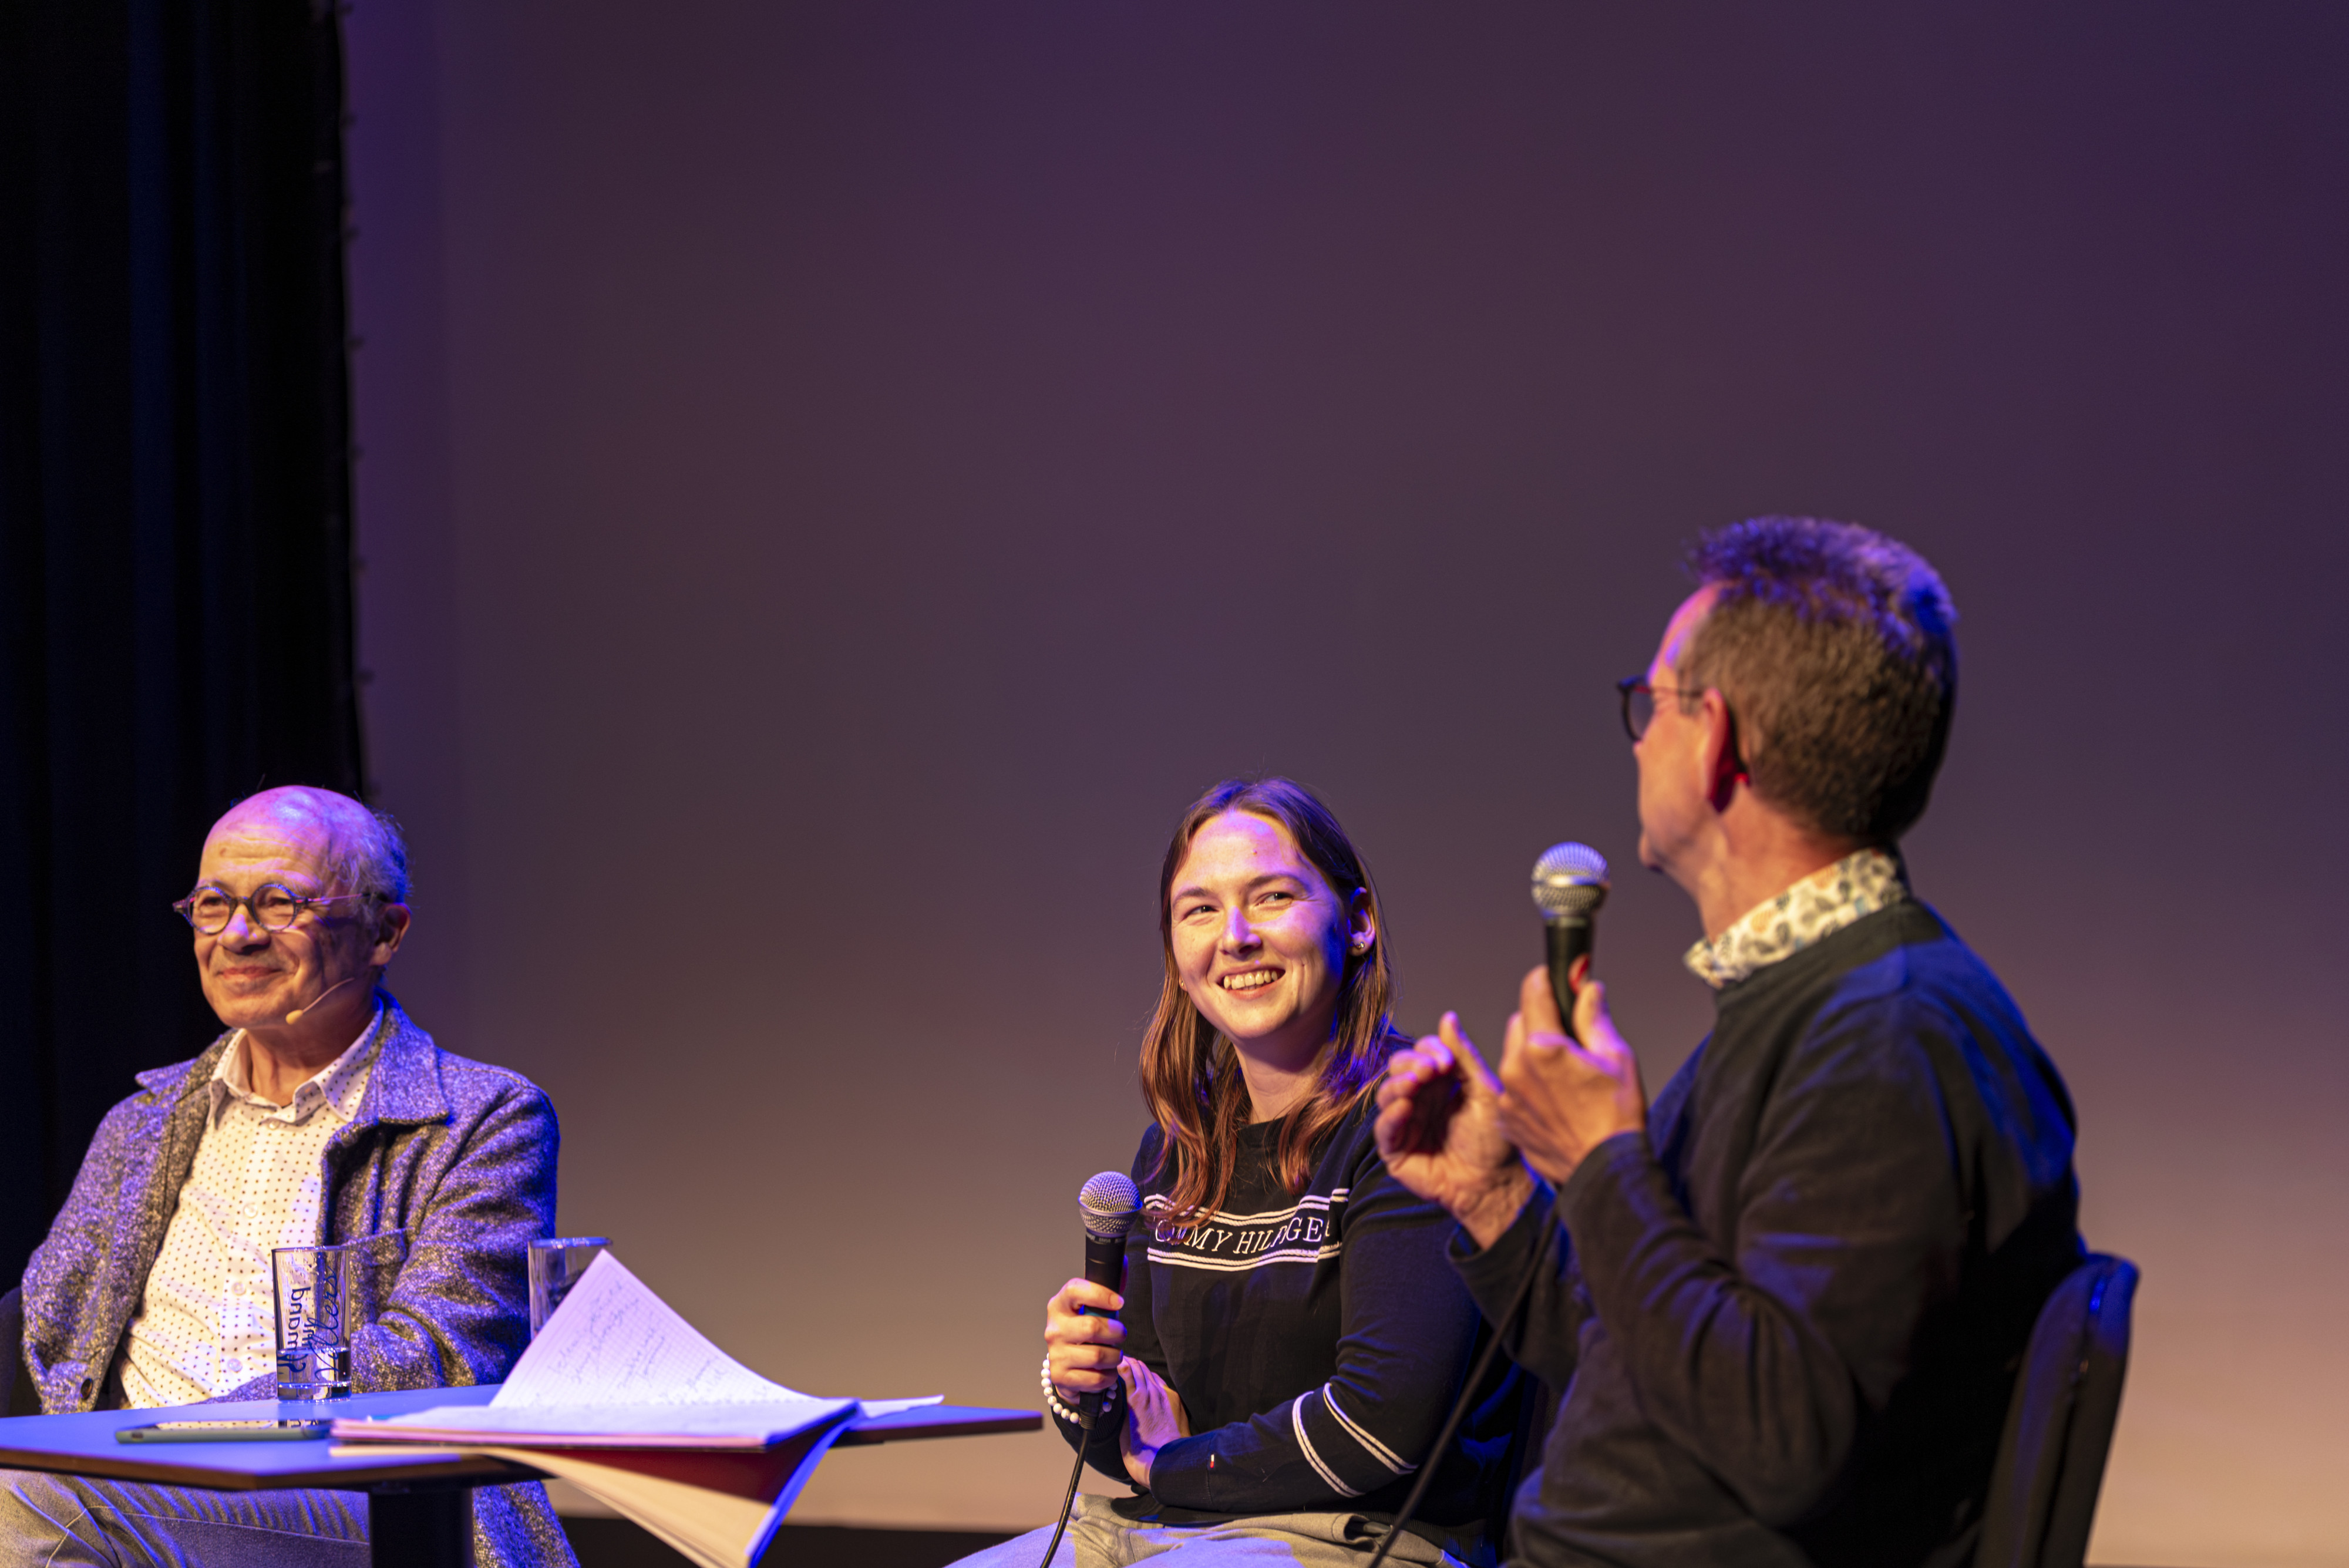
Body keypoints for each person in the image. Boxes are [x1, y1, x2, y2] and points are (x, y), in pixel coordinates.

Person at [1374, 517, 2082, 1567]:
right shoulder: (1812, 1004)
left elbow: (1782, 1439)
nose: (1637, 737)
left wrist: (1608, 1164)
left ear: (1715, 739)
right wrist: (1499, 1198)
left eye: (1651, 703)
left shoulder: (1888, 1037)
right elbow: (1646, 1355)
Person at [1, 786, 576, 1567]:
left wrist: (173, 1441)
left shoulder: (482, 1118)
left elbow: (435, 1359)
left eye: (278, 902)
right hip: (125, 1485)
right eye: (213, 904)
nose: (237, 934)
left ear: (385, 929)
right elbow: (45, 1322)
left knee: (32, 1490)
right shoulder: (141, 1122)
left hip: (364, 1498)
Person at [965, 779, 1526, 1568]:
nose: (1234, 936)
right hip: (1169, 1526)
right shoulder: (1172, 1149)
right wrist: (1083, 1378)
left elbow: (1381, 1423)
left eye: (1271, 897)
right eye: (1200, 909)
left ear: (1358, 922)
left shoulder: (1415, 1123)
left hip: (1361, 1538)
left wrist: (1173, 1463)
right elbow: (1145, 1421)